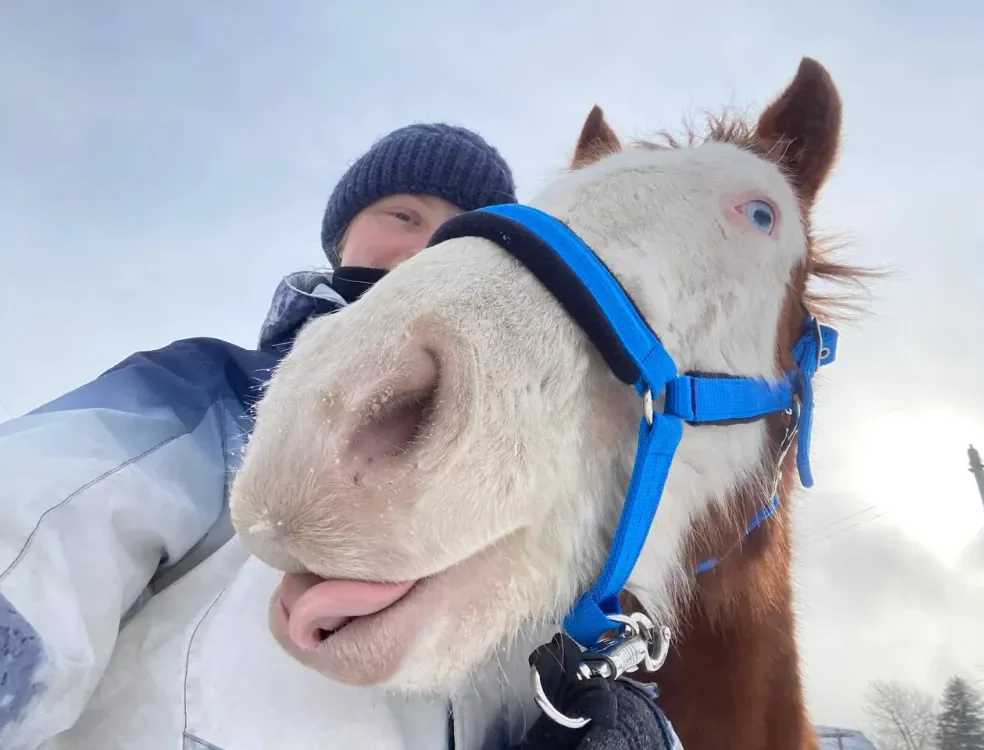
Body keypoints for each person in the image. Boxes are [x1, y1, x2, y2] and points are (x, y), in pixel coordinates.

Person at [0, 123, 679, 750]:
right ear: (342, 238)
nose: (425, 245)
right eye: (403, 216)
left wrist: (625, 717)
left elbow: (561, 660)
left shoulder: (531, 478)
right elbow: (53, 513)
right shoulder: (228, 388)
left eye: (459, 235)